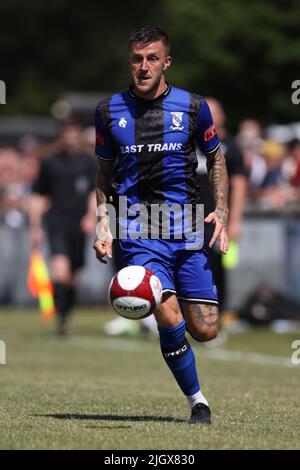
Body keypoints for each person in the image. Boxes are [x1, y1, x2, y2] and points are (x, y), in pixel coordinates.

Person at [93, 26, 229, 424]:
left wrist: (221, 210)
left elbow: (217, 158)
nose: (144, 66)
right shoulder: (107, 111)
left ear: (166, 61)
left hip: (186, 229)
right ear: (129, 62)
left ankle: (178, 343)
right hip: (137, 229)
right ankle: (197, 401)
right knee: (168, 315)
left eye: (152, 58)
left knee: (205, 330)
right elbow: (103, 175)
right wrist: (104, 224)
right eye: (137, 58)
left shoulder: (193, 106)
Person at [28, 122, 97, 335]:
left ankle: (66, 315)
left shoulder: (89, 163)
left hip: (79, 224)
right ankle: (61, 319)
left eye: (74, 135)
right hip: (57, 222)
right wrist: (35, 226)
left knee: (72, 275)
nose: (71, 139)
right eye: (67, 135)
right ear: (62, 137)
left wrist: (90, 217)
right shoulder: (50, 163)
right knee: (60, 271)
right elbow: (39, 196)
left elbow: (94, 194)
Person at [197, 97, 248, 310]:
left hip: (218, 219)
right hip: (189, 218)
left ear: (222, 116)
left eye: (212, 112)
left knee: (216, 267)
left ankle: (219, 312)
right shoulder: (190, 144)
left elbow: (239, 185)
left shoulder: (231, 148)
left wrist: (234, 219)